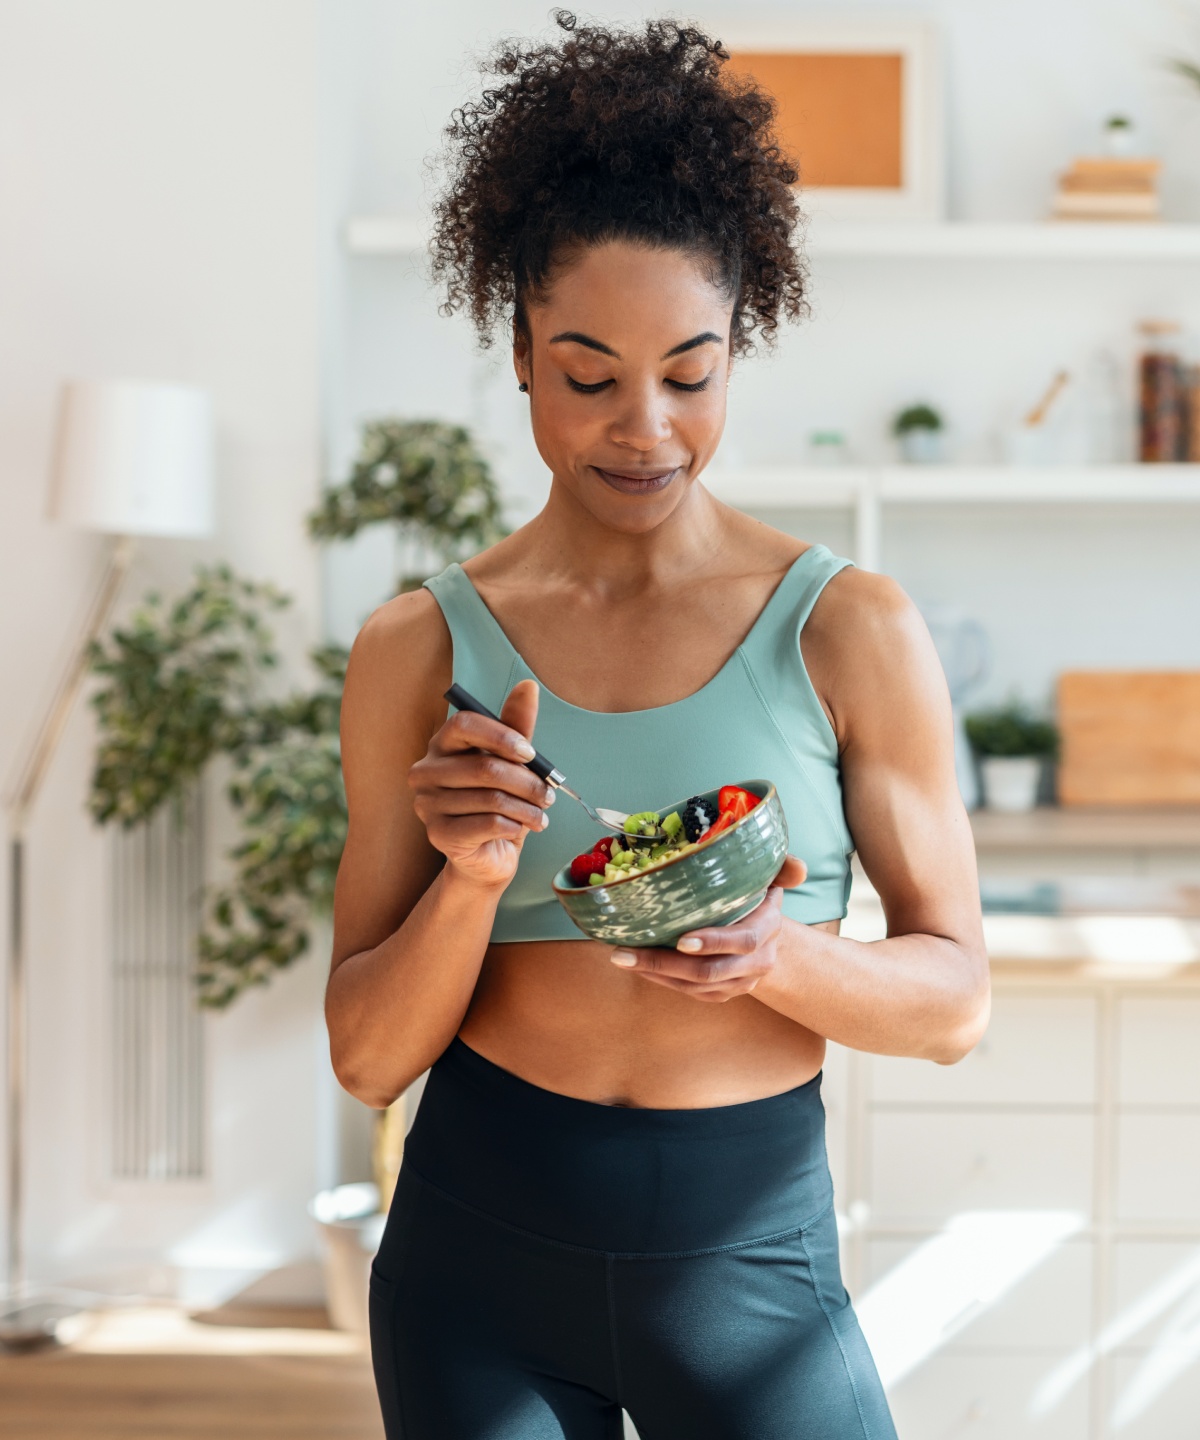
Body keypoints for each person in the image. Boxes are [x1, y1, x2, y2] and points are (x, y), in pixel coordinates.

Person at [326, 14, 989, 1440]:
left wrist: (781, 953)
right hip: (472, 1271)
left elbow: (956, 1003)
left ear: (740, 346)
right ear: (517, 352)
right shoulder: (417, 649)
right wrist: (475, 877)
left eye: (690, 373)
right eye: (588, 374)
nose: (646, 428)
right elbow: (369, 1056)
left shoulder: (847, 629)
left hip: (747, 1266)